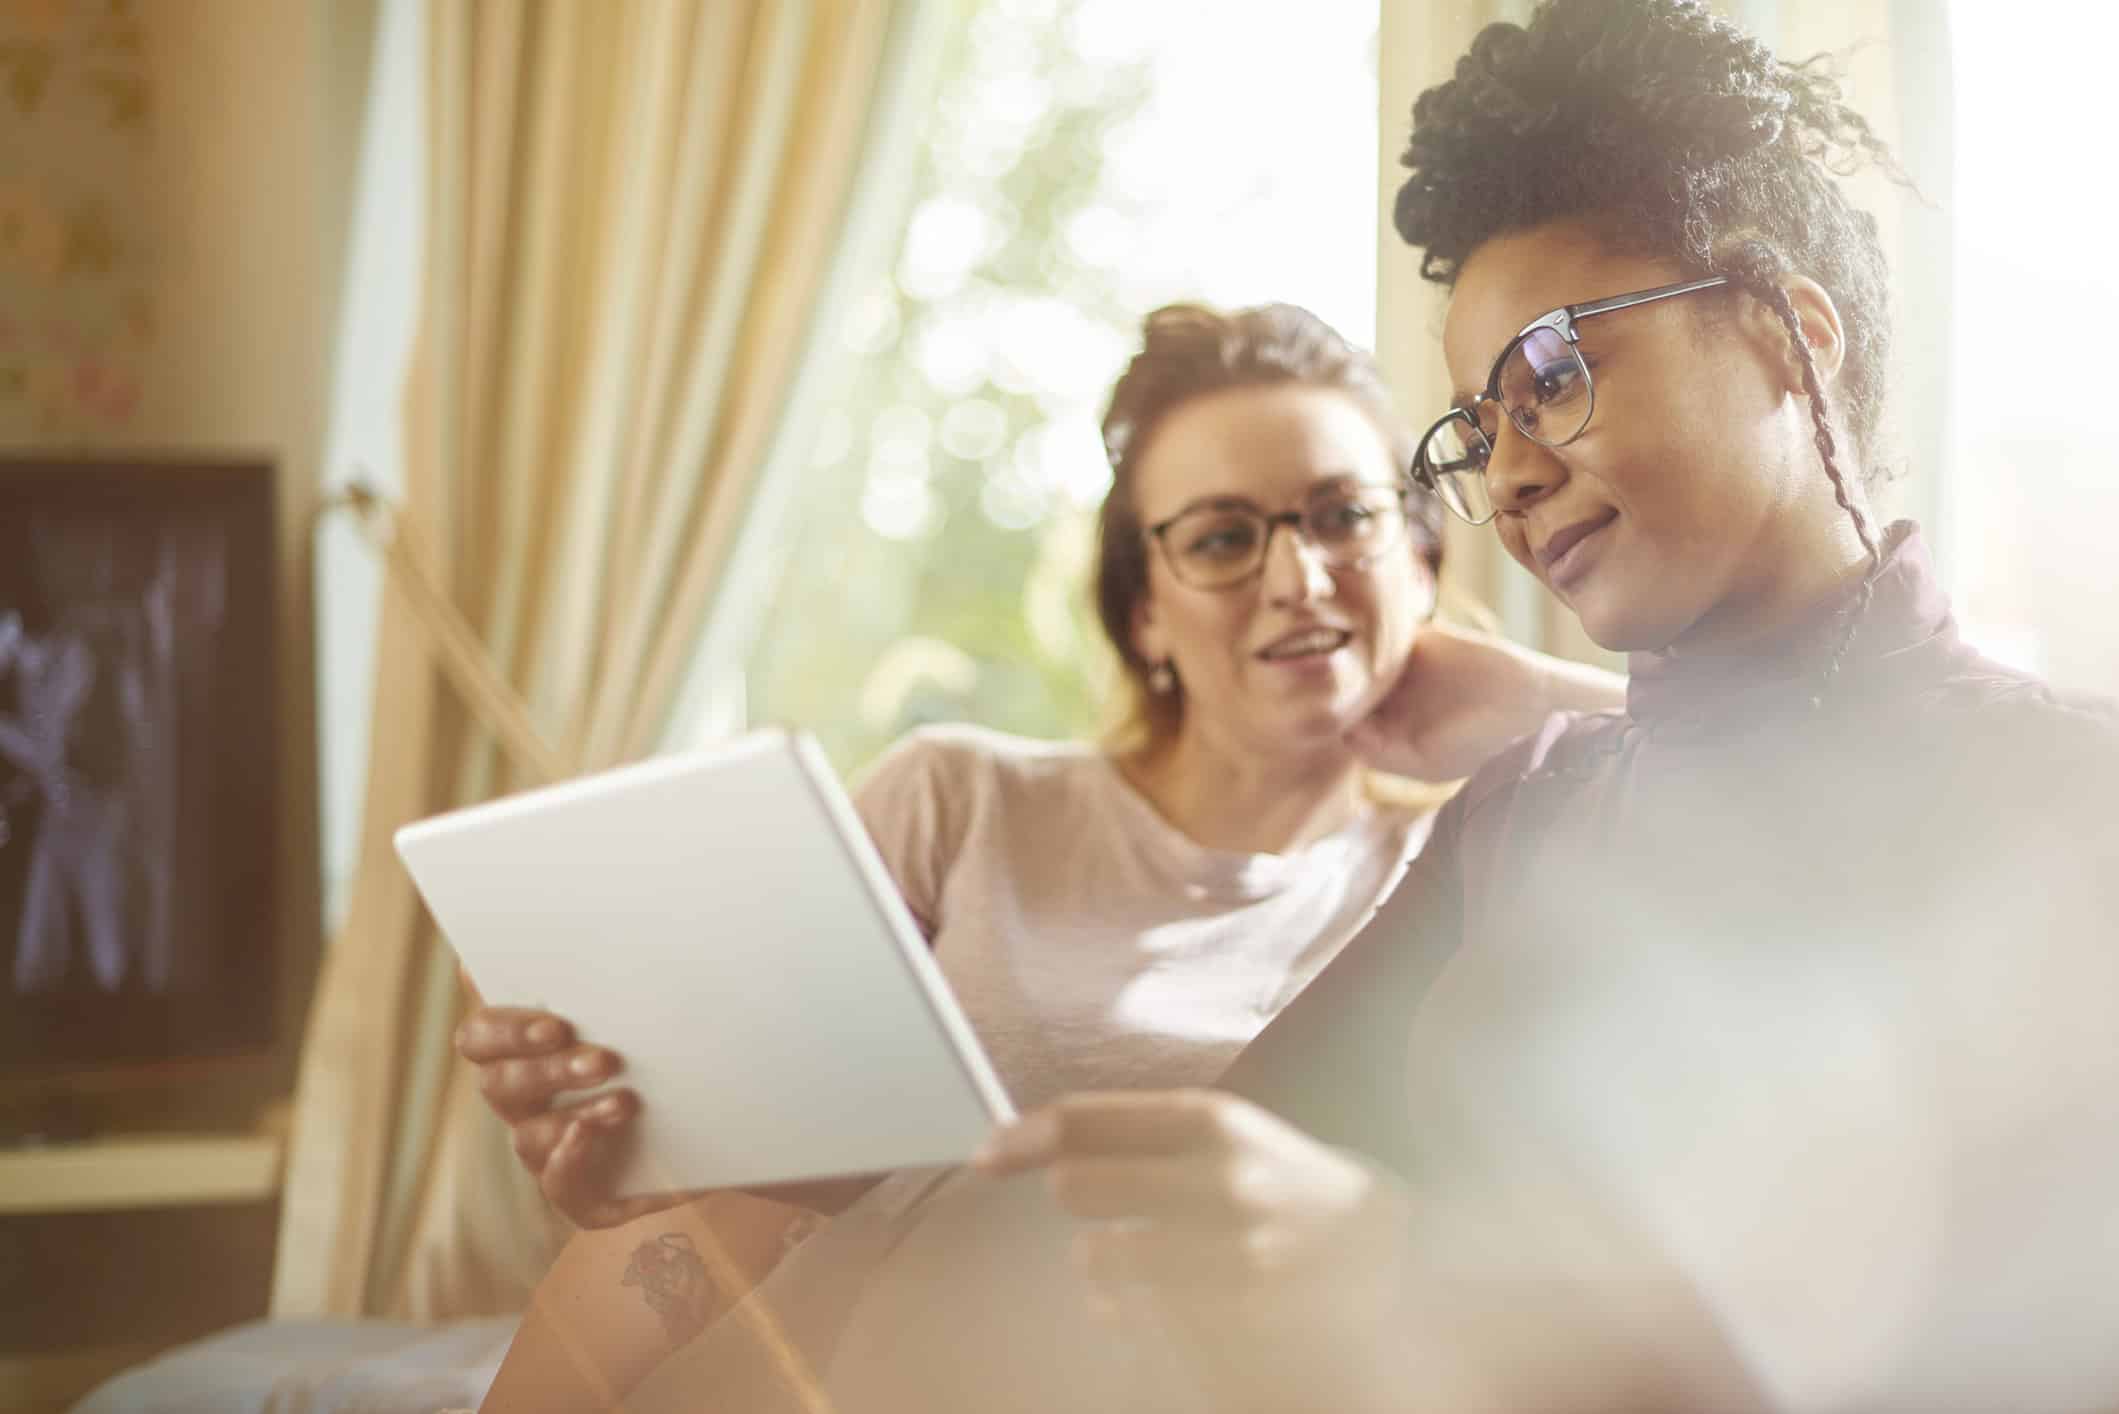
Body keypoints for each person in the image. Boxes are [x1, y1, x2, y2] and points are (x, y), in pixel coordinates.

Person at [959, 3, 2119, 1411]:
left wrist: (1408, 1275)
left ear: (1784, 335)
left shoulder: (2071, 806)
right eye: (1469, 426)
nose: (1502, 476)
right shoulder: (1527, 806)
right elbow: (1200, 1197)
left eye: (1548, 379)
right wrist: (772, 1147)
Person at [454, 302, 1625, 1411]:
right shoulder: (958, 800)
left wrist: (1547, 702)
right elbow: (710, 1205)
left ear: (1421, 561)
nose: (1295, 576)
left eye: (1342, 515)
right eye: (1222, 536)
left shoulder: (1473, 860)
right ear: (1146, 615)